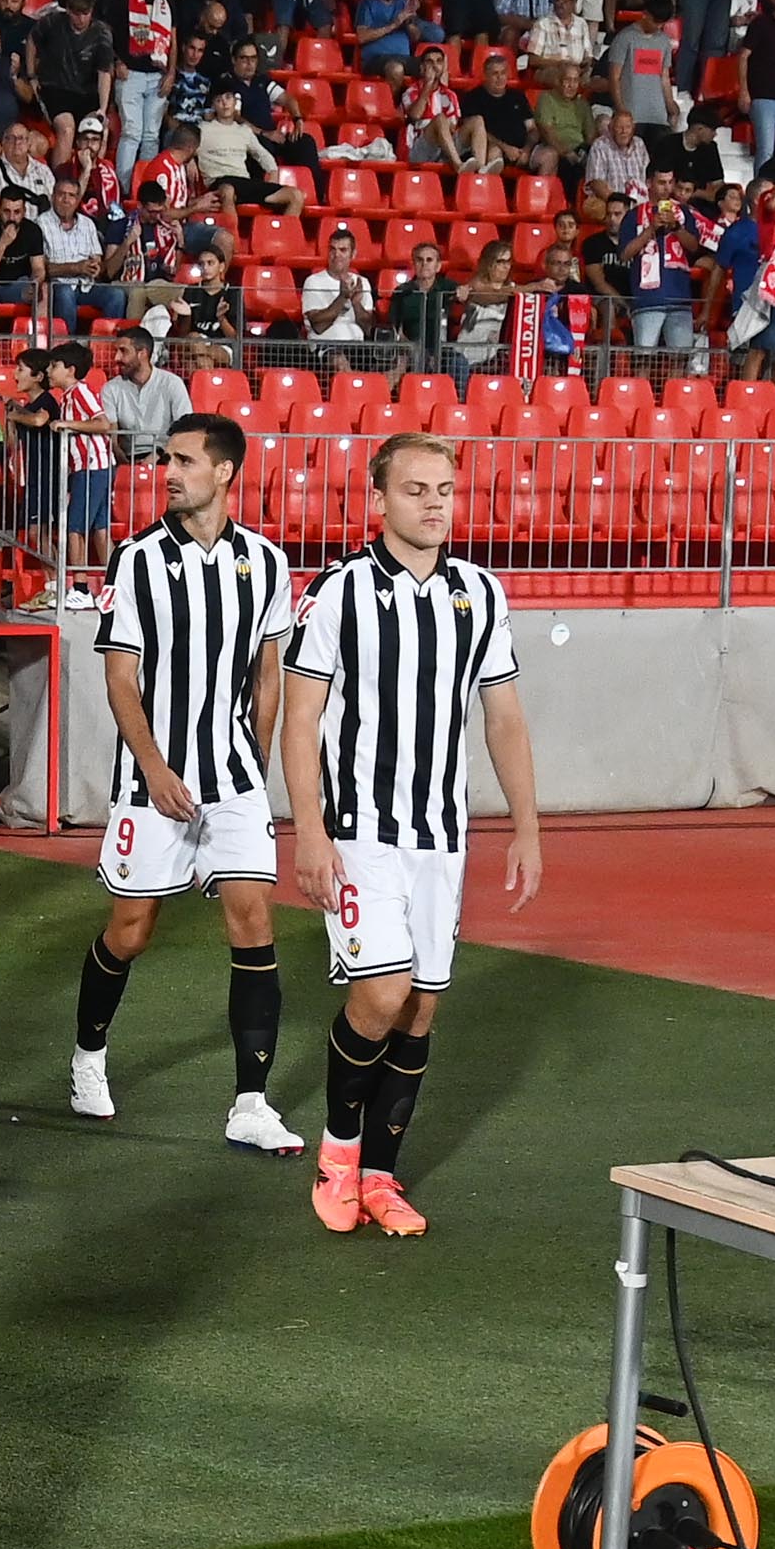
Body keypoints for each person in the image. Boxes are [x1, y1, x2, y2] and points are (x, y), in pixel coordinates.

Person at [284, 433, 543, 1240]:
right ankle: (338, 1155)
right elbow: (299, 723)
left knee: (421, 1009)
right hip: (359, 829)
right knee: (382, 994)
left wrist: (527, 827)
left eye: (444, 489)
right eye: (415, 489)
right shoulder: (336, 594)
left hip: (441, 835)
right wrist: (308, 833)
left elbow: (501, 717)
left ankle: (382, 1179)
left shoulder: (480, 594)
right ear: (377, 500)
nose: (433, 503)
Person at [72, 410, 301, 1153]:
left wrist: (253, 763)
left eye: (183, 460)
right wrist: (153, 766)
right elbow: (119, 678)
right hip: (152, 781)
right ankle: (88, 1055)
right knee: (130, 930)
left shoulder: (265, 561)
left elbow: (268, 674)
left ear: (224, 471)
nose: (167, 471)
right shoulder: (136, 560)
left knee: (253, 922)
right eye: (164, 459)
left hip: (232, 776)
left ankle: (250, 1102)